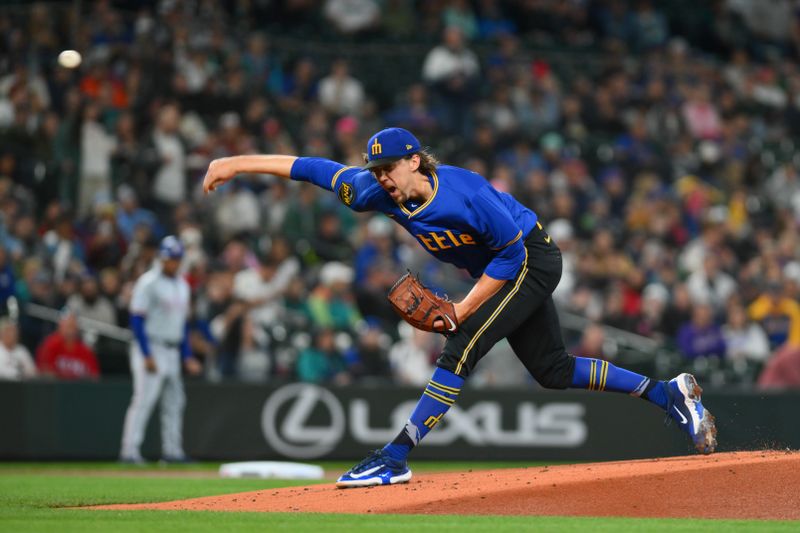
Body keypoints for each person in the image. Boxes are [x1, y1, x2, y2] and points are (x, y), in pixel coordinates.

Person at [202, 127, 717, 488]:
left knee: (461, 346)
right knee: (553, 371)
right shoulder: (373, 193)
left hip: (529, 258)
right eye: (374, 169)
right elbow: (311, 169)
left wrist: (463, 309)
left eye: (387, 168)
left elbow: (511, 254)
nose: (380, 177)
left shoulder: (463, 193)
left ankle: (394, 456)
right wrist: (236, 163)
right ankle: (668, 395)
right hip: (505, 264)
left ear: (414, 161)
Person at [119, 236, 202, 464]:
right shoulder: (148, 282)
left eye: (176, 259)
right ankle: (129, 451)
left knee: (175, 402)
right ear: (161, 258)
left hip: (173, 349)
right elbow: (136, 319)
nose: (173, 263)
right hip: (151, 345)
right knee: (144, 399)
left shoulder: (183, 284)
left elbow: (183, 324)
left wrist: (187, 355)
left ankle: (172, 451)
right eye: (169, 259)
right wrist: (146, 354)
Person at [35, 308, 100, 380]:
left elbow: (94, 377)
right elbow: (44, 372)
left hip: (79, 389)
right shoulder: (50, 345)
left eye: (72, 325)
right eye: (68, 325)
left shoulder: (85, 350)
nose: (70, 330)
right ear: (60, 326)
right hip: (56, 389)